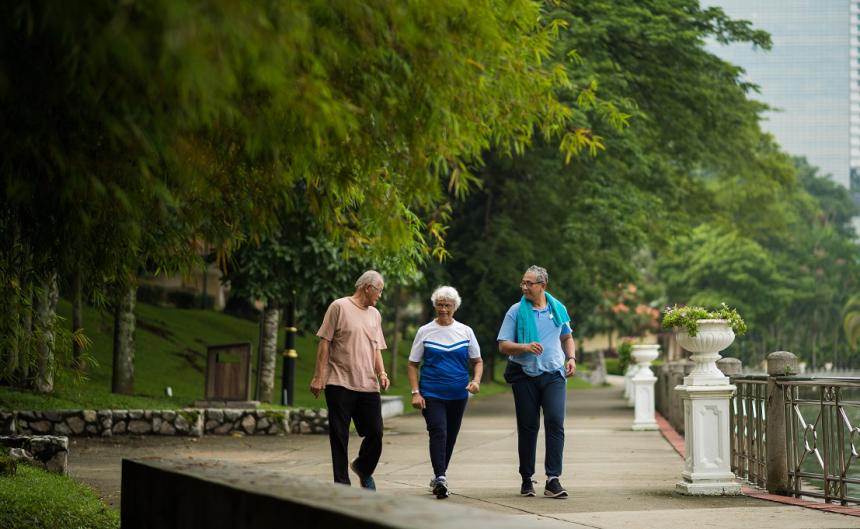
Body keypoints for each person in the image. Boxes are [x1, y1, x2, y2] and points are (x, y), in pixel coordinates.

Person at [497, 265, 576, 499]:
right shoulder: (516, 311)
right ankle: (526, 478)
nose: (523, 287)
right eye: (522, 282)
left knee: (555, 423)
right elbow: (503, 345)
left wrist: (571, 357)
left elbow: (567, 336)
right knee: (528, 427)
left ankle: (553, 479)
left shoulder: (557, 308)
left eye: (529, 283)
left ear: (542, 286)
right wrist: (525, 347)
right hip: (525, 376)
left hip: (553, 376)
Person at [310, 270, 390, 490]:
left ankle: (363, 468)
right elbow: (324, 343)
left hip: (368, 384)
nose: (380, 295)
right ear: (367, 287)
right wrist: (319, 377)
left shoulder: (375, 314)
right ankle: (341, 485)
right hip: (339, 382)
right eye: (379, 290)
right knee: (339, 435)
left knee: (376, 432)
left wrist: (382, 373)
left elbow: (376, 348)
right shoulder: (339, 307)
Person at [407, 286, 483, 499]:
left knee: (450, 436)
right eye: (440, 304)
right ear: (435, 306)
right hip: (431, 392)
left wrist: (476, 381)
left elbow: (477, 361)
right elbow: (412, 364)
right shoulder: (425, 331)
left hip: (458, 395)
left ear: (454, 307)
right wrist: (415, 392)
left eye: (447, 305)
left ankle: (439, 475)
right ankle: (441, 477)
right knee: (438, 431)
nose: (443, 309)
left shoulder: (465, 331)